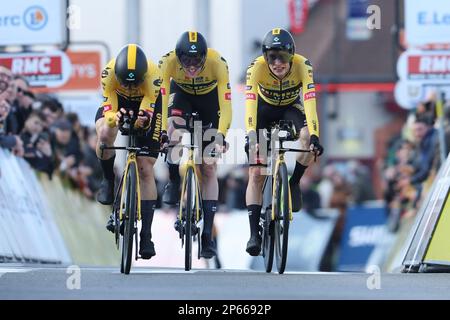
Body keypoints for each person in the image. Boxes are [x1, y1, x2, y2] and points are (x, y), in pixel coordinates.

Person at [244, 28, 324, 256]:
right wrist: (251, 134)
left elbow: (309, 101)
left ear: (292, 56)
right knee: (256, 173)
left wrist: (315, 135)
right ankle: (253, 234)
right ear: (265, 57)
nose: (278, 63)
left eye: (283, 57)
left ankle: (294, 182)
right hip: (263, 109)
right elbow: (249, 102)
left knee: (307, 138)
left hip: (291, 107)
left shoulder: (303, 65)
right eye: (272, 58)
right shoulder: (256, 67)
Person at [158, 31, 232, 259]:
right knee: (174, 130)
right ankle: (173, 179)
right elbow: (160, 97)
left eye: (196, 60)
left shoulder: (217, 62)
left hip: (210, 103)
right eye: (186, 61)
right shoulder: (167, 61)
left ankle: (207, 233)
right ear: (178, 57)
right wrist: (160, 130)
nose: (191, 66)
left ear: (204, 56)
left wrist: (221, 134)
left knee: (208, 166)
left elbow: (226, 105)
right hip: (181, 97)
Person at [95, 44, 163, 260]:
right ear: (117, 75)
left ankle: (146, 234)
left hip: (148, 103)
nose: (130, 85)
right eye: (126, 81)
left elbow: (147, 114)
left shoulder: (154, 76)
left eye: (135, 81)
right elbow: (109, 112)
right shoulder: (108, 73)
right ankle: (108, 179)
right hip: (118, 102)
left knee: (145, 166)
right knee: (105, 134)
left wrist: (142, 120)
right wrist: (116, 118)